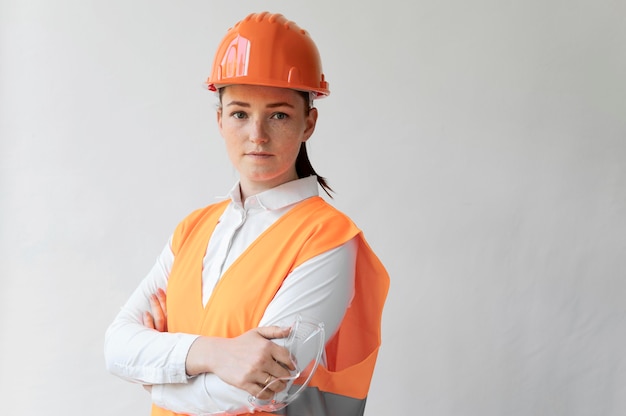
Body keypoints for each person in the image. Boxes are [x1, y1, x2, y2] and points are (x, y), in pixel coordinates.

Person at [104, 11, 389, 416]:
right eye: (240, 113)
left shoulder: (327, 238)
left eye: (279, 115)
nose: (257, 134)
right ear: (219, 120)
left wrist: (157, 380)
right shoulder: (192, 231)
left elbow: (264, 388)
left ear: (309, 122)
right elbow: (116, 346)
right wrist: (215, 354)